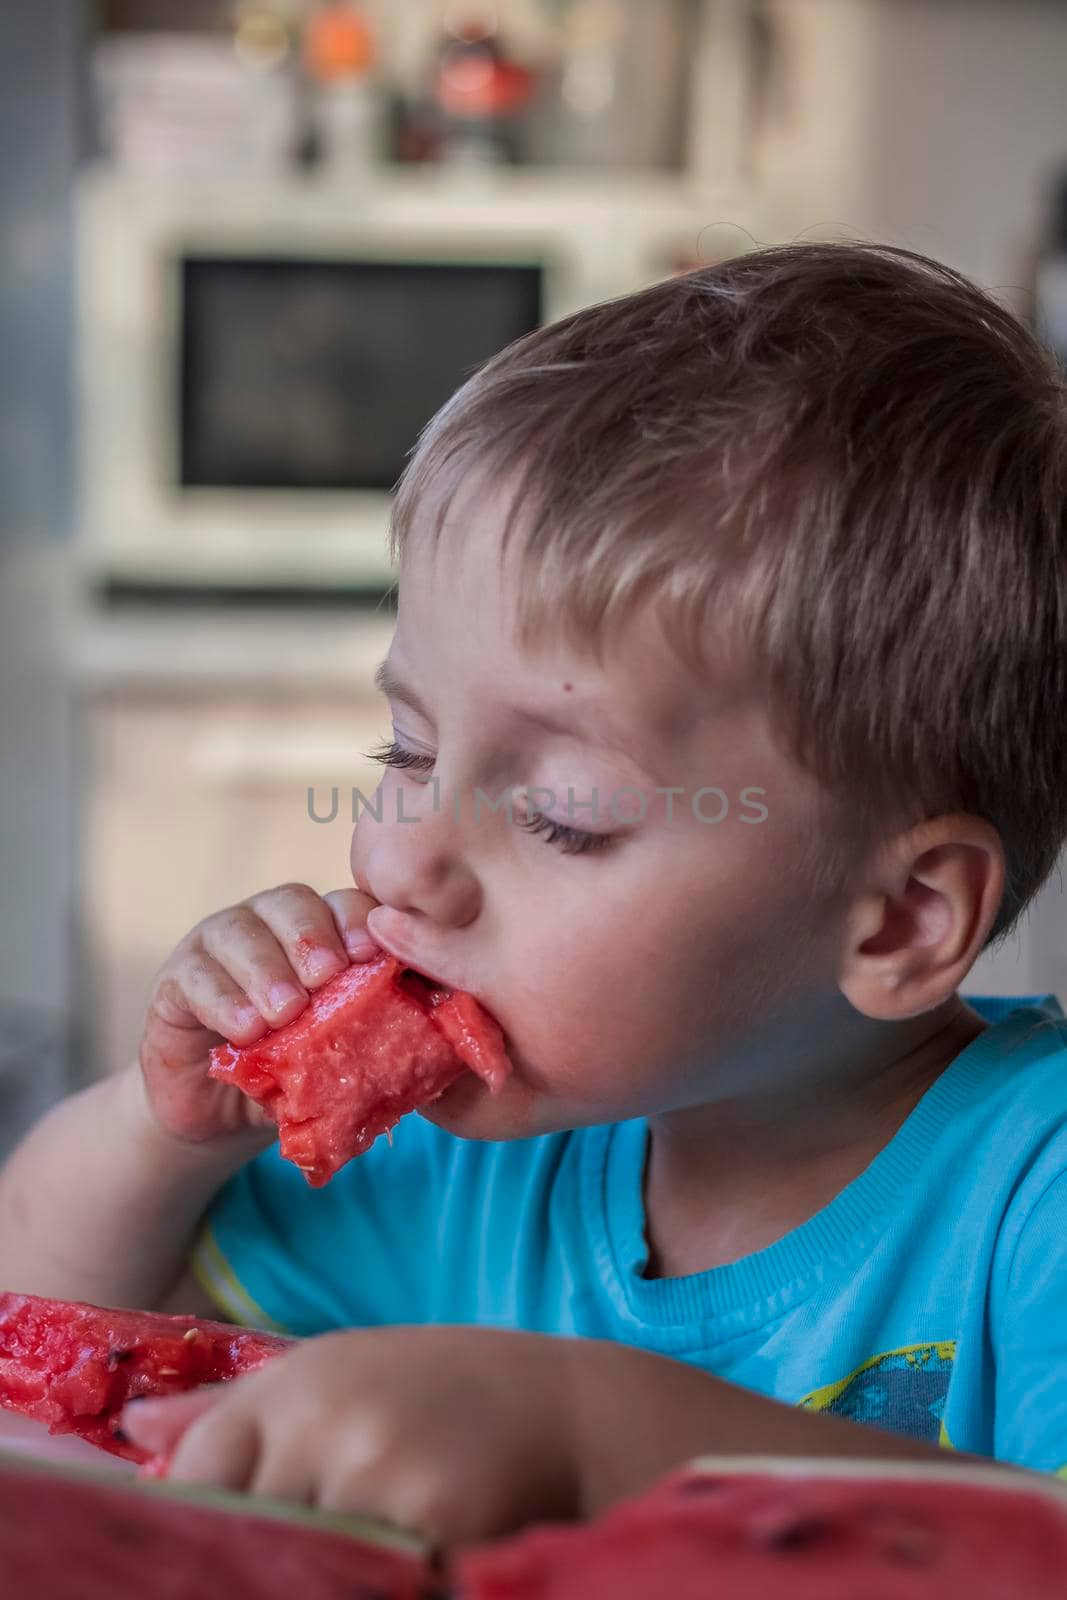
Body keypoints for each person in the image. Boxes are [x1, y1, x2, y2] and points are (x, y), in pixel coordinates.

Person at [2, 242, 1066, 1550]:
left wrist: (594, 1432)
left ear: (897, 919)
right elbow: (41, 1323)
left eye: (560, 812)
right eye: (406, 749)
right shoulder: (459, 1164)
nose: (398, 862)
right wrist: (165, 1133)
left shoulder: (1038, 1194)